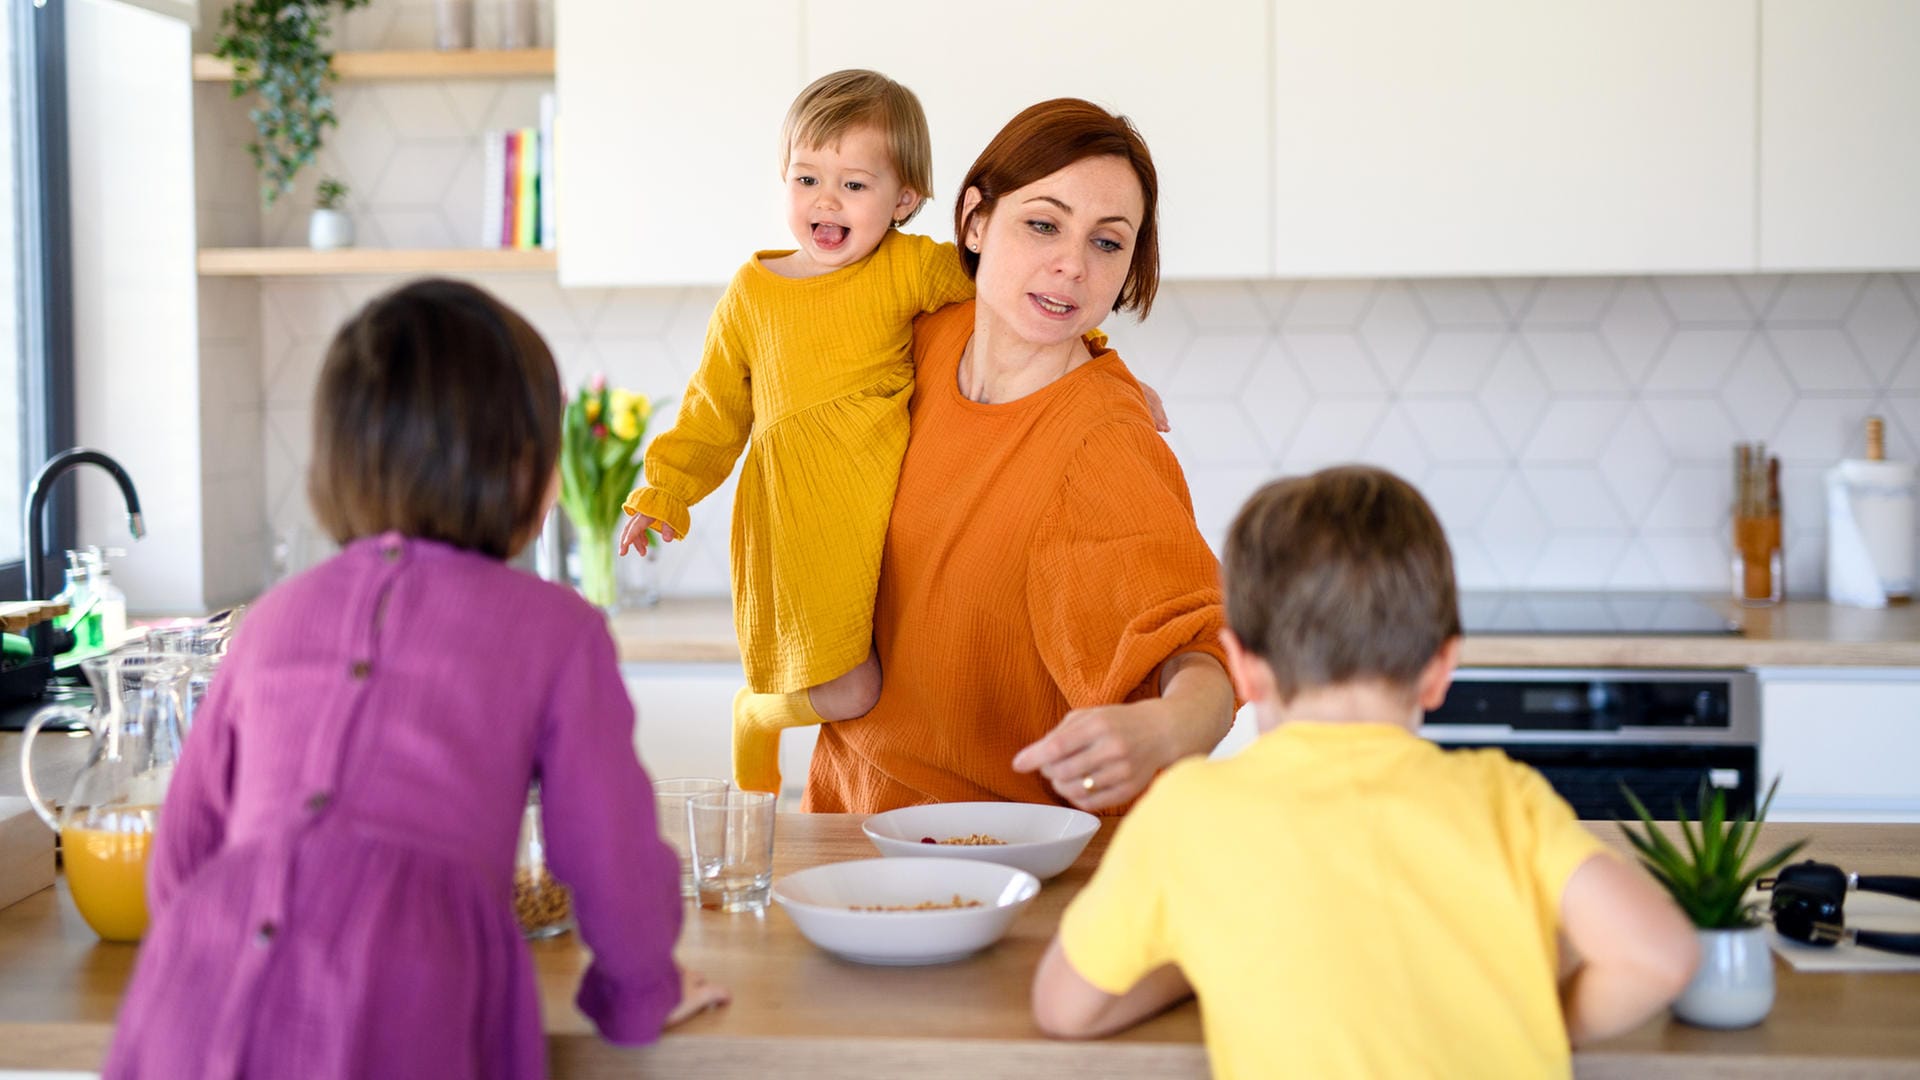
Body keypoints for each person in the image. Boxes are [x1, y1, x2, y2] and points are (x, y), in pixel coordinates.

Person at [104, 280, 727, 1080]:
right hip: (403, 995)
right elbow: (612, 855)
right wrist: (642, 991)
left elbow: (183, 856)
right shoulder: (557, 630)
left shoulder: (271, 618)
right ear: (525, 465)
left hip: (195, 993)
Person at [1030, 466, 1701, 1078]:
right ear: (1441, 669)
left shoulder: (1186, 812)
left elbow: (1065, 1009)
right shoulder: (1506, 797)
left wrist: (1197, 957)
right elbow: (1659, 957)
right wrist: (1545, 1027)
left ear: (1244, 668)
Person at [802, 99, 1235, 815]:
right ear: (976, 219)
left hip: (1007, 864)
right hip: (845, 830)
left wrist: (1167, 727)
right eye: (1043, 223)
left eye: (1107, 243)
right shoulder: (910, 339)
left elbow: (1200, 642)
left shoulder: (1104, 438)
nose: (1071, 265)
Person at [616, 69, 976, 796]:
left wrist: (1095, 353)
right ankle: (756, 716)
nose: (825, 201)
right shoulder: (753, 293)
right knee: (853, 690)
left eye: (853, 185)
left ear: (904, 199)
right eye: (806, 177)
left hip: (892, 521)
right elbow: (713, 412)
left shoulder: (907, 267)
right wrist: (662, 491)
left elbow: (1009, 289)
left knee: (913, 676)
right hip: (805, 524)